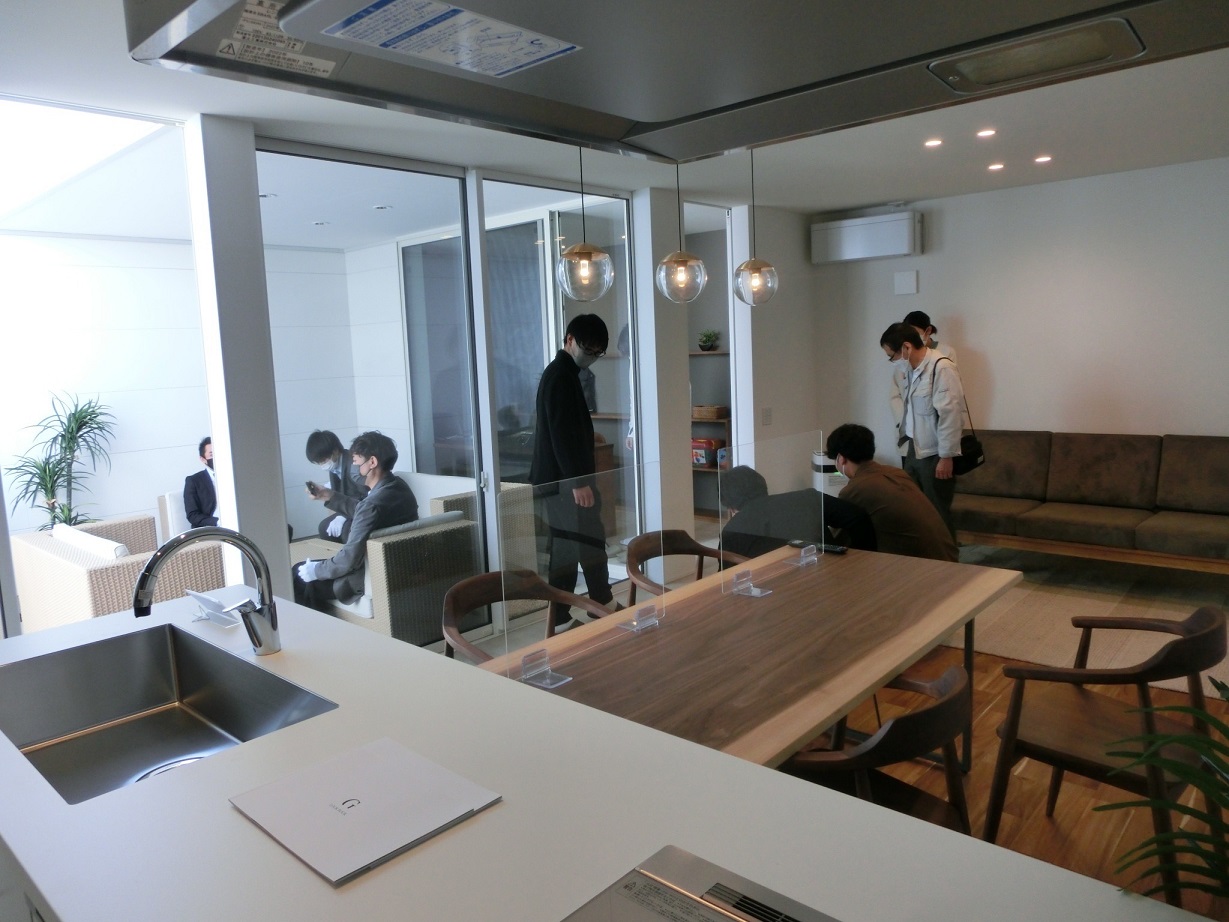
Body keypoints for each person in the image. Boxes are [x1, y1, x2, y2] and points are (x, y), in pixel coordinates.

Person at [530, 313, 619, 631]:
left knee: (569, 547)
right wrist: (578, 483)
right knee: (586, 541)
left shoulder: (565, 373)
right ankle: (597, 606)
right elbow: (561, 435)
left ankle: (566, 616)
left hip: (561, 481)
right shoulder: (560, 376)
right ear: (569, 340)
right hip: (565, 483)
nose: (590, 357)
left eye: (597, 352)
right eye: (587, 349)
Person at [293, 431, 419, 613]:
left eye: (356, 461)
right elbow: (366, 511)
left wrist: (316, 570)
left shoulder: (371, 505)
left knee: (298, 573)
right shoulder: (399, 487)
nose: (353, 467)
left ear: (372, 462)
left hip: (367, 573)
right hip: (400, 565)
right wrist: (329, 496)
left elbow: (348, 560)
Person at [825, 423, 957, 561]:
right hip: (949, 558)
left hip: (923, 567)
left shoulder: (855, 490)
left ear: (841, 458)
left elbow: (837, 539)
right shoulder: (897, 473)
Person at [881, 321, 965, 537]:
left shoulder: (941, 367)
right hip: (914, 448)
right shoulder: (912, 370)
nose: (893, 362)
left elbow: (951, 415)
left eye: (892, 356)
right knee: (916, 510)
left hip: (935, 453)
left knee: (937, 513)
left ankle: (947, 555)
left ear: (906, 347)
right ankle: (924, 555)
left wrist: (946, 457)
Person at [719, 465, 876, 558]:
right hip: (832, 576)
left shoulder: (732, 532)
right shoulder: (808, 497)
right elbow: (858, 517)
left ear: (731, 507)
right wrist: (859, 561)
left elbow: (724, 581)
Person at [304, 429, 369, 543]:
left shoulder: (354, 464)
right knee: (324, 527)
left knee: (347, 531)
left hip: (360, 510)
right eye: (318, 462)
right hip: (348, 508)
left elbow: (365, 496)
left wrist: (343, 516)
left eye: (323, 460)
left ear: (335, 451)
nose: (322, 465)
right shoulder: (335, 466)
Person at [183, 436, 218, 528]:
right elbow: (192, 515)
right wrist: (218, 522)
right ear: (203, 459)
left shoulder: (234, 477)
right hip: (211, 528)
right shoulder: (194, 481)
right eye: (212, 455)